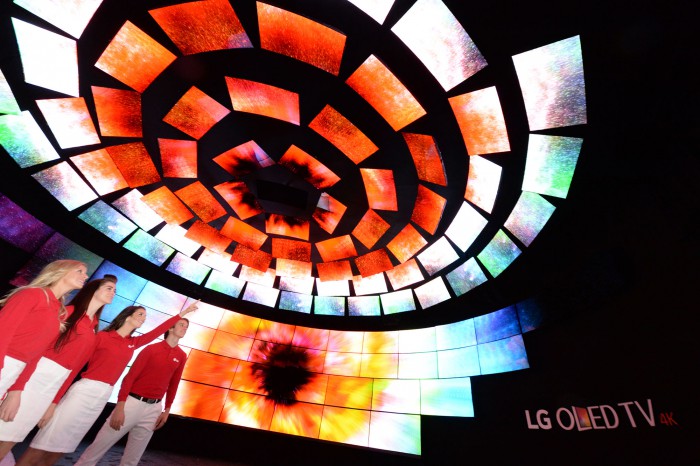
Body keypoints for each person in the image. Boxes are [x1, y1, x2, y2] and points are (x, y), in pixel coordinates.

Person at [16, 301, 199, 466]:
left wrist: (183, 313)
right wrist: (54, 402)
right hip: (84, 390)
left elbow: (157, 332)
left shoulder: (133, 343)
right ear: (127, 316)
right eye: (140, 314)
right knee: (43, 444)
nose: (144, 319)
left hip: (102, 397)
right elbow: (74, 368)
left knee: (64, 447)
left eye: (145, 316)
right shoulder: (101, 337)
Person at [0, 275, 118, 461]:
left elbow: (73, 371)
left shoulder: (93, 328)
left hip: (52, 386)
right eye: (109, 288)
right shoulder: (68, 312)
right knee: (4, 432)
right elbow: (37, 349)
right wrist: (17, 388)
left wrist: (53, 402)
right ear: (93, 289)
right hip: (34, 377)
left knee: (15, 436)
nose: (113, 293)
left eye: (115, 291)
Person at [74, 317, 190, 466]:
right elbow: (129, 378)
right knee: (97, 448)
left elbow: (174, 383)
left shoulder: (181, 355)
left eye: (186, 327)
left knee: (132, 461)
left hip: (154, 410)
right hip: (132, 404)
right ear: (170, 328)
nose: (184, 328)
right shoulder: (151, 349)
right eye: (181, 324)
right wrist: (120, 407)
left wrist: (167, 410)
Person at [0, 260, 88, 397]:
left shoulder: (60, 310)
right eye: (80, 271)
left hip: (15, 370)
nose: (86, 276)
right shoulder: (32, 294)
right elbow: (3, 332)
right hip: (5, 362)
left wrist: (18, 388)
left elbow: (38, 352)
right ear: (61, 271)